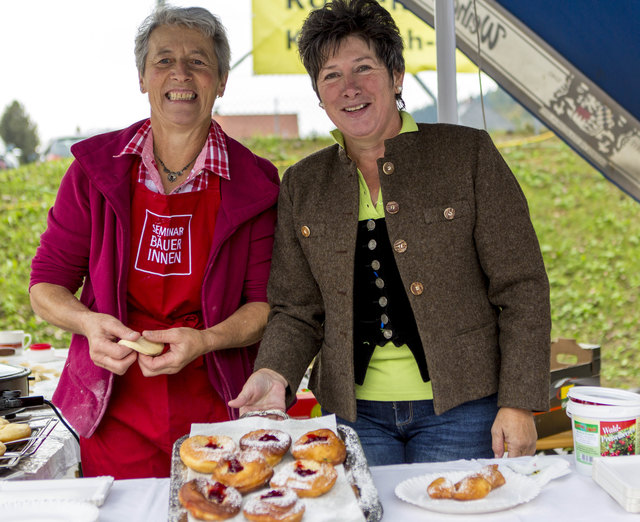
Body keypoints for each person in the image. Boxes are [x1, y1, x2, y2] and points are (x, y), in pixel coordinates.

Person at [230, 0, 551, 466]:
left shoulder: (467, 155)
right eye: (331, 76)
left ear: (396, 76)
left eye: (364, 67)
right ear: (319, 95)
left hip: (464, 409)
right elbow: (297, 309)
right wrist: (273, 371)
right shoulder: (303, 183)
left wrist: (518, 402)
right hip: (355, 417)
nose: (350, 87)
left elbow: (522, 287)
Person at [29, 6, 279, 479]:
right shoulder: (92, 171)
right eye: (163, 60)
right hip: (114, 407)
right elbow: (45, 284)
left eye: (198, 61)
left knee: (214, 504)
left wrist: (206, 340)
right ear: (142, 78)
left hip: (217, 404)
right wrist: (87, 323)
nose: (180, 73)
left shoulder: (256, 183)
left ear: (222, 81)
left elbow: (265, 305)